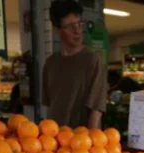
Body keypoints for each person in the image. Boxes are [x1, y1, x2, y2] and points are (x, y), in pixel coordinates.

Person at [43, 1, 107, 129]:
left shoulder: (92, 60)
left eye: (79, 24)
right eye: (70, 26)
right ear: (57, 30)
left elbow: (96, 108)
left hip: (81, 140)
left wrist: (91, 143)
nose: (77, 30)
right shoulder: (50, 64)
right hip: (54, 141)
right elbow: (49, 105)